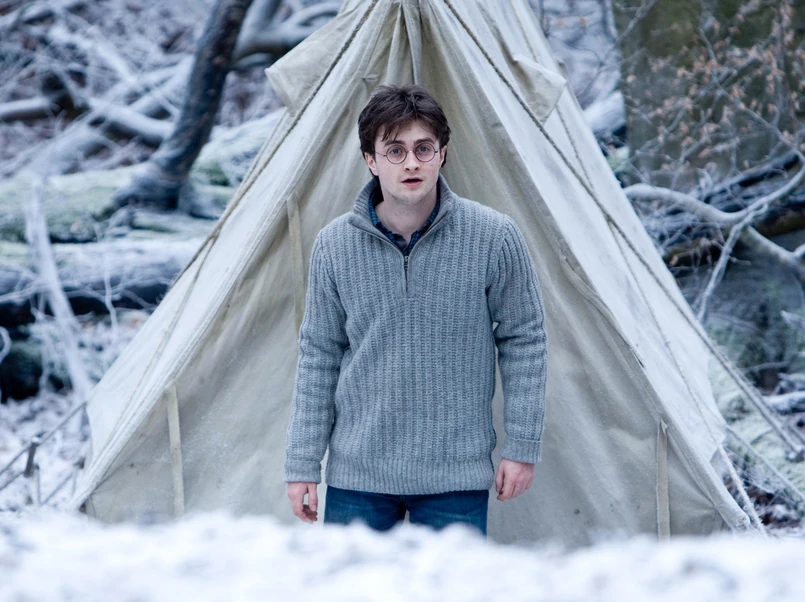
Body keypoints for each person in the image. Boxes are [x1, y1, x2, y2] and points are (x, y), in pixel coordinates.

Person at [284, 84, 547, 537]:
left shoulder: (493, 236)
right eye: (395, 150)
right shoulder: (334, 245)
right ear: (371, 160)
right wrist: (302, 463)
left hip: (455, 477)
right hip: (357, 477)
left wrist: (522, 446)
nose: (411, 163)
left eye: (423, 149)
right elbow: (318, 355)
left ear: (442, 154)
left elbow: (525, 340)